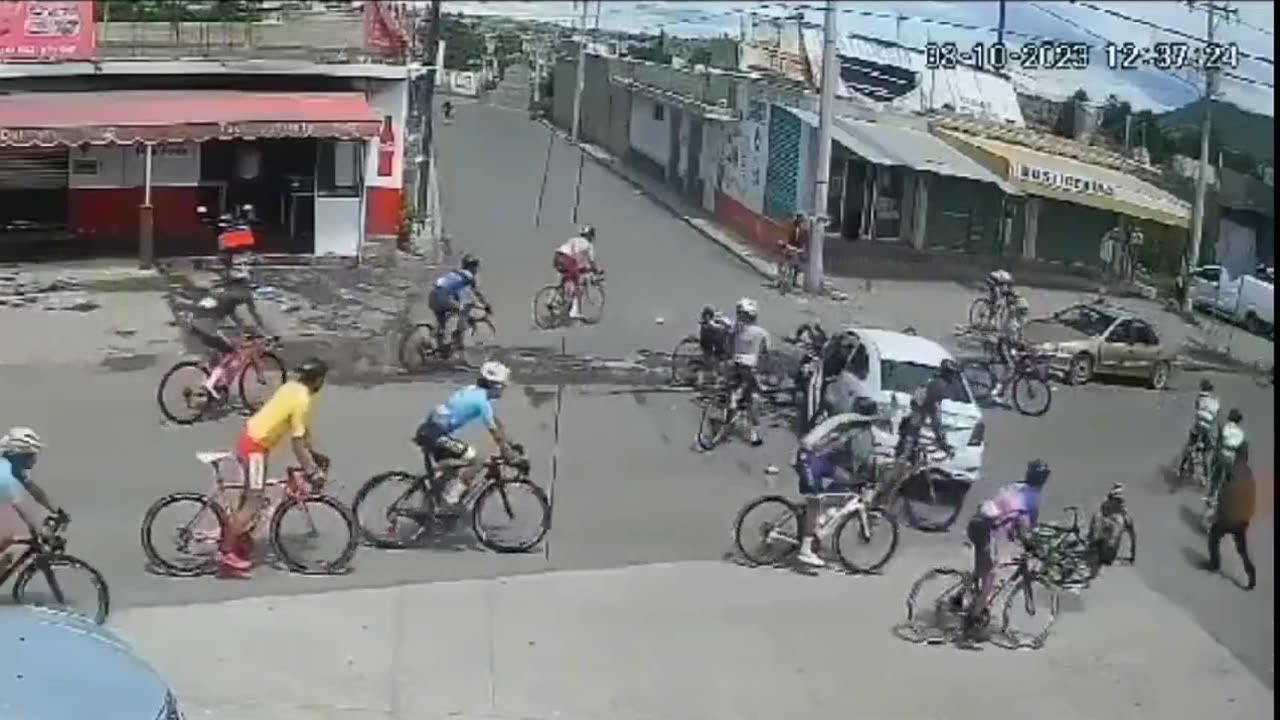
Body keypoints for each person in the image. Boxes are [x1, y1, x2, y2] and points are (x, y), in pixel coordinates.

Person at [219, 358, 330, 577]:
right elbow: (297, 445)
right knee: (254, 501)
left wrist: (314, 456)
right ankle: (226, 553)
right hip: (255, 448)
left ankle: (240, 539)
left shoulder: (292, 387)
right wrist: (312, 471)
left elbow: (302, 433)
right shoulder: (303, 399)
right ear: (318, 380)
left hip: (253, 440)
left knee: (250, 495)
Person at [792, 397, 881, 567]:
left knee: (849, 482)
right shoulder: (856, 427)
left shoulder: (847, 420)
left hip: (813, 458)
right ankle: (805, 549)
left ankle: (819, 521)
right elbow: (858, 453)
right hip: (809, 460)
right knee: (814, 503)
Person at [964, 459, 1050, 633]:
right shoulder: (1031, 498)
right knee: (991, 575)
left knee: (982, 568)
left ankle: (961, 597)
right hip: (985, 530)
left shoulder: (1016, 486)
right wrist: (1034, 547)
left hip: (976, 523)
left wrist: (1014, 531)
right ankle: (972, 620)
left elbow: (1007, 512)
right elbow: (1025, 526)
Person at [414, 361, 517, 506]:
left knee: (453, 468)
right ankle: (451, 498)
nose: (503, 390)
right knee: (478, 459)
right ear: (495, 385)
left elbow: (495, 422)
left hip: (431, 430)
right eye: (503, 387)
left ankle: (435, 504)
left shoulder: (472, 390)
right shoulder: (481, 402)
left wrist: (509, 442)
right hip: (436, 435)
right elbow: (494, 432)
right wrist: (506, 449)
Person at [187, 257, 275, 399]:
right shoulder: (244, 295)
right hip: (207, 324)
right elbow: (255, 314)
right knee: (231, 352)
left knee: (218, 351)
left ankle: (213, 384)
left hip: (195, 321)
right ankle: (210, 384)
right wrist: (266, 332)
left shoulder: (225, 293)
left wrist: (242, 328)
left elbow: (232, 315)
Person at [0, 428, 68, 576]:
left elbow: (35, 491)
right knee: (6, 544)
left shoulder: (14, 468)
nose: (34, 459)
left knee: (7, 544)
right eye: (30, 455)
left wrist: (55, 510)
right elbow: (22, 511)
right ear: (17, 455)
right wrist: (40, 533)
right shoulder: (5, 475)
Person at [1204, 456, 1257, 590]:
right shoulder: (1249, 475)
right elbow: (1250, 499)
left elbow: (1225, 496)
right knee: (1242, 550)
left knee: (1214, 537)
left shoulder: (1230, 473)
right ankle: (1251, 574)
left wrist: (1218, 515)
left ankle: (1215, 564)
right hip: (1242, 521)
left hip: (1227, 519)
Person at [727, 297, 770, 447]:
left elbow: (729, 345)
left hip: (735, 364)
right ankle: (753, 434)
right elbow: (765, 353)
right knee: (755, 398)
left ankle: (731, 414)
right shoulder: (761, 333)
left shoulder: (734, 329)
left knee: (734, 389)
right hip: (750, 368)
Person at [429, 254, 490, 349]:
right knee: (458, 310)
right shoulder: (468, 277)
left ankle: (436, 343)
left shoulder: (456, 273)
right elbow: (474, 295)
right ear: (470, 267)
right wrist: (485, 305)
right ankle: (447, 341)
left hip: (433, 295)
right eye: (475, 266)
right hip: (443, 296)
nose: (476, 270)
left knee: (442, 322)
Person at [553, 226, 601, 321]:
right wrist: (596, 270)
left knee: (566, 277)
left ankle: (555, 298)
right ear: (590, 236)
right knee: (577, 285)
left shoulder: (574, 240)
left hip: (557, 257)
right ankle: (575, 311)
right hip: (568, 259)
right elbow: (591, 262)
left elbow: (577, 260)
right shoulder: (588, 245)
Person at [989, 295, 1030, 401]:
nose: (1024, 313)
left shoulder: (1021, 320)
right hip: (1004, 344)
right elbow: (1010, 337)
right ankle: (999, 387)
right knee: (1010, 367)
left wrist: (1024, 343)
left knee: (1016, 367)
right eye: (1022, 310)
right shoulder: (1011, 320)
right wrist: (1019, 343)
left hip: (1011, 345)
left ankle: (1003, 390)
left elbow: (1020, 334)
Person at [1088, 482, 1135, 566]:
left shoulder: (1103, 514)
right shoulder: (1124, 518)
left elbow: (1132, 537)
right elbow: (1132, 537)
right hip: (1106, 551)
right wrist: (1132, 555)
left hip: (1102, 550)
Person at [1209, 408, 1248, 504]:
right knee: (1230, 480)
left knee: (1215, 476)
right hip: (1231, 459)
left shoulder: (1224, 427)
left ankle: (1211, 494)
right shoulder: (1241, 433)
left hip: (1221, 455)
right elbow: (1243, 450)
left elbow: (1218, 442)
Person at [1184, 379, 1220, 465]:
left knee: (1190, 445)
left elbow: (1197, 408)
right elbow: (1216, 415)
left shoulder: (1199, 398)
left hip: (1198, 426)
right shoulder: (1215, 401)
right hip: (1208, 429)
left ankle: (1181, 466)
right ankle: (1207, 476)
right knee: (1207, 454)